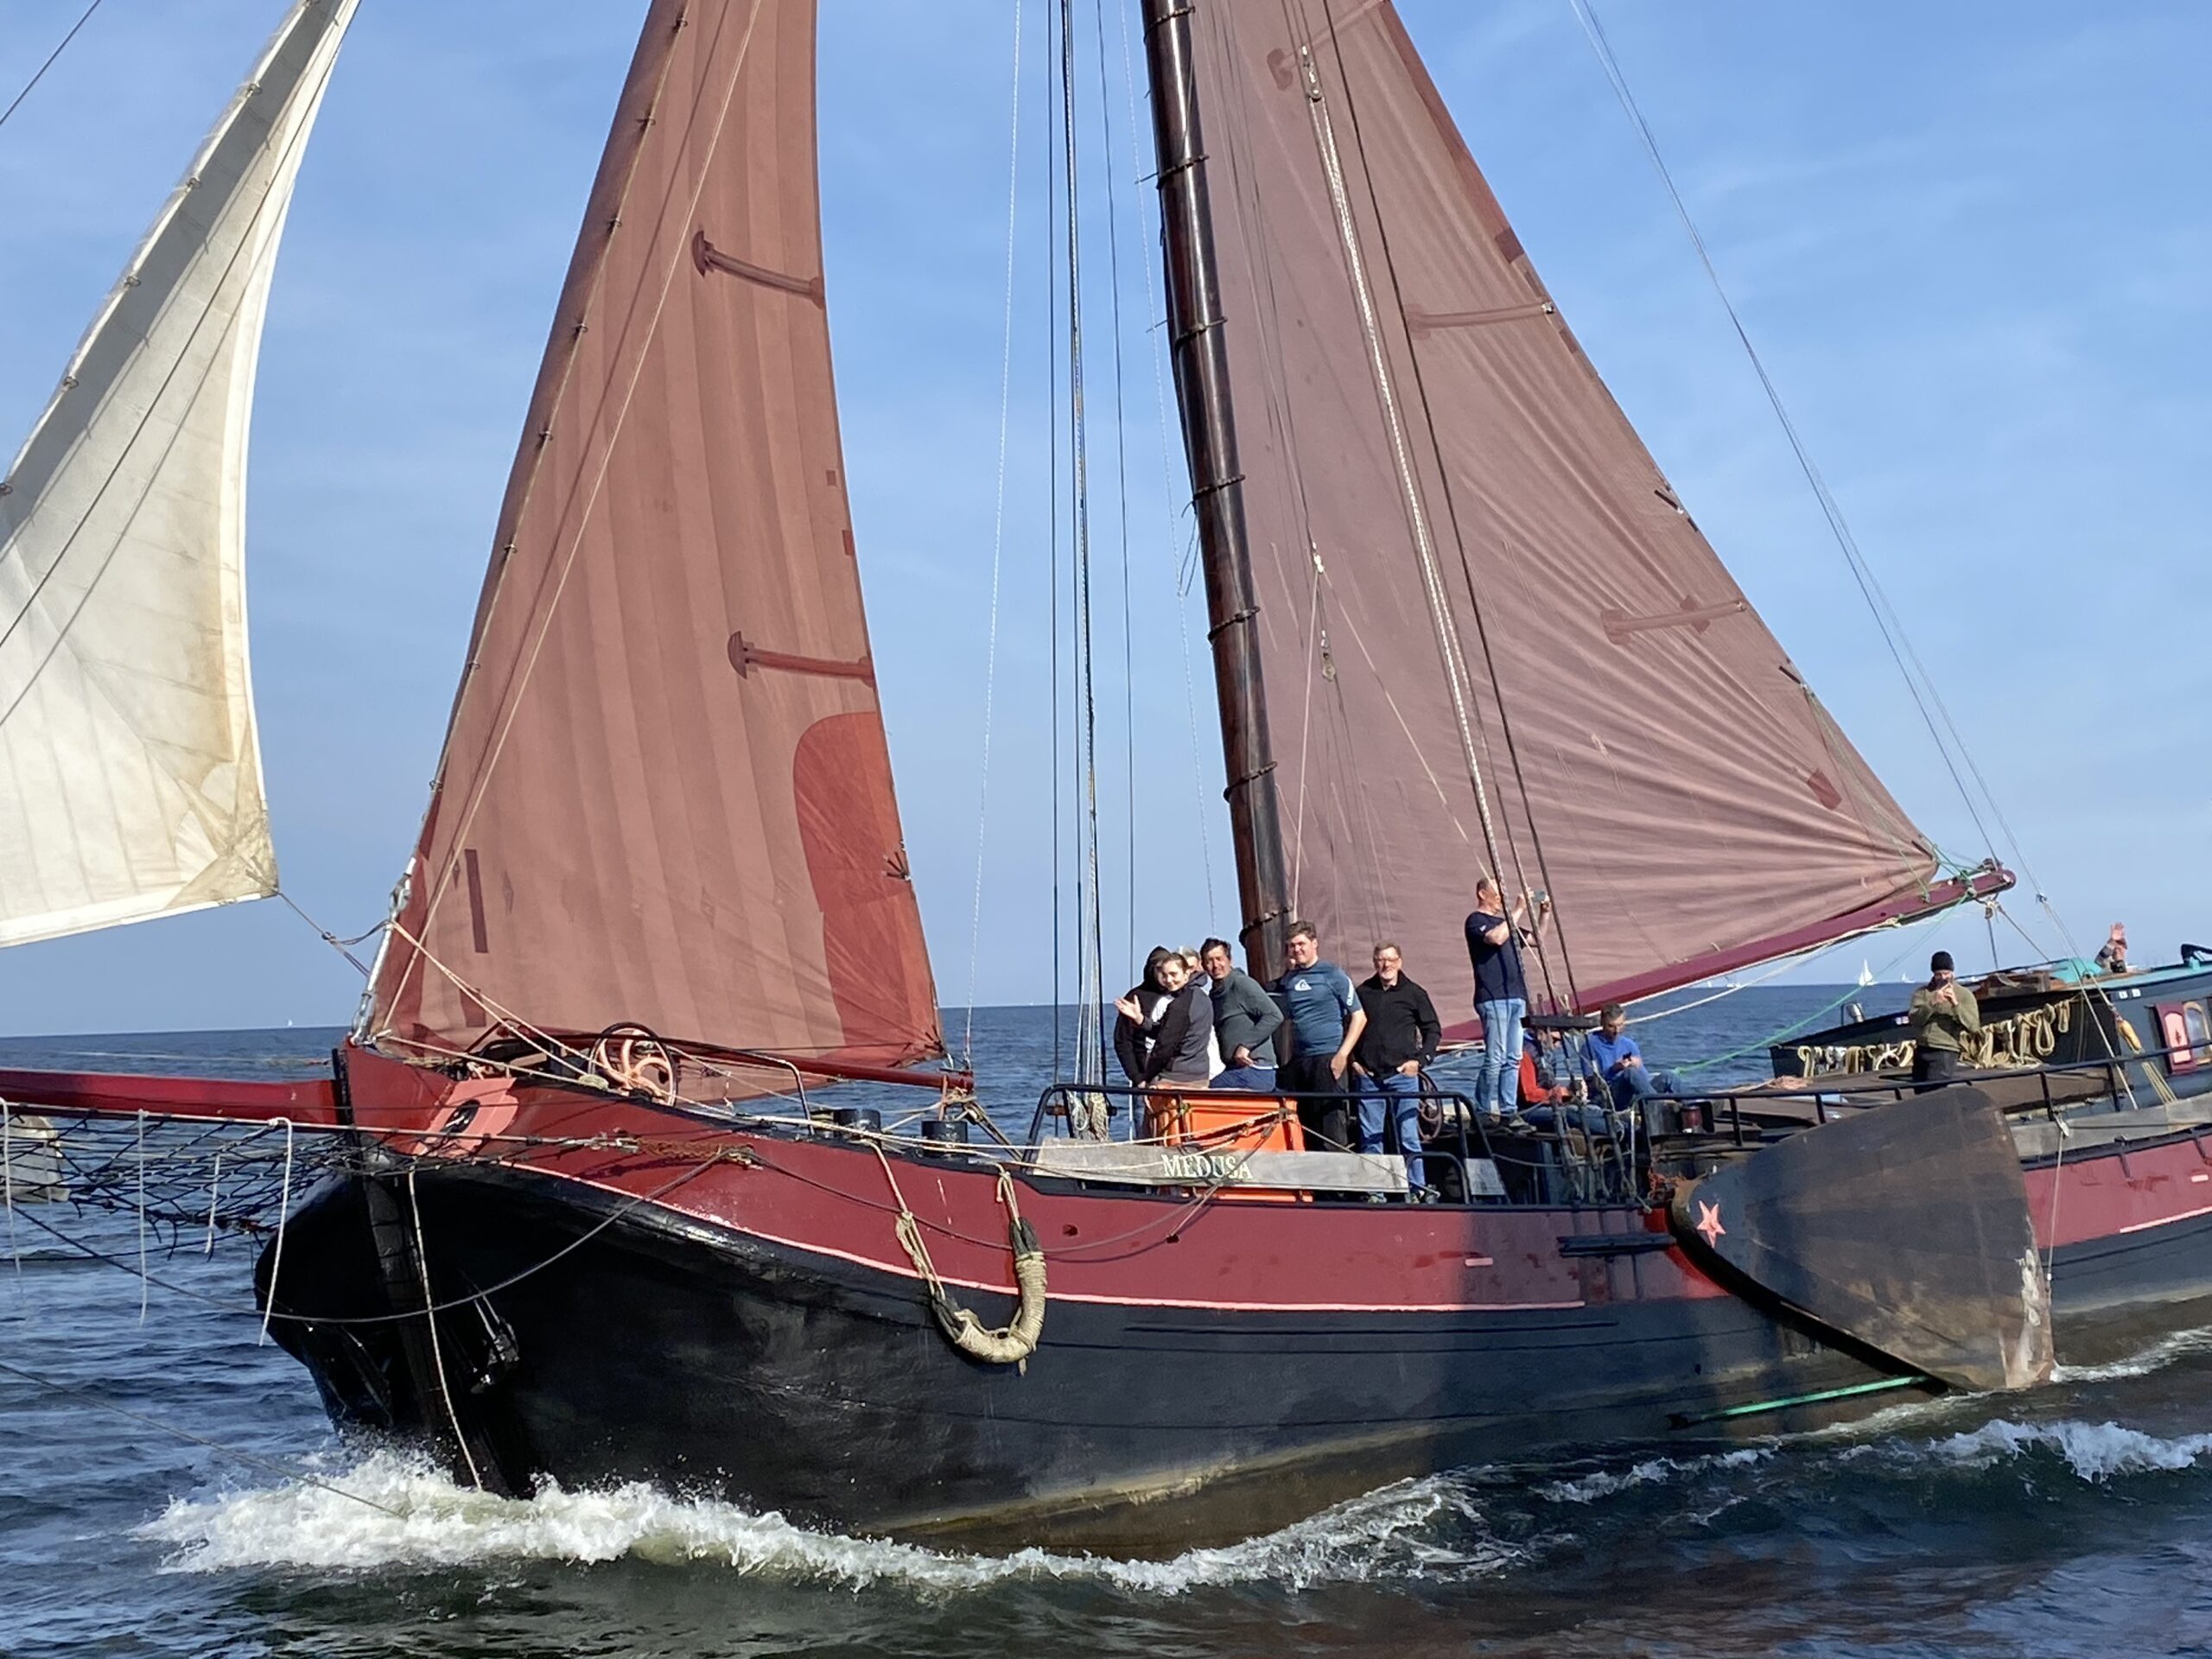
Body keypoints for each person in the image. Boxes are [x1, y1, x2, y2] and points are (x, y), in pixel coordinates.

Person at [1353, 943, 1441, 1198]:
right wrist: (1355, 1063)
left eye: (1391, 960)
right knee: (1370, 1137)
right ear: (1374, 962)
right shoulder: (1364, 992)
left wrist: (1421, 1061)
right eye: (1381, 960)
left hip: (1403, 1076)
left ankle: (1417, 1189)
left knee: (1408, 1136)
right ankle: (1375, 1191)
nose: (1386, 965)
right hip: (1369, 1076)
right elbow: (1350, 1026)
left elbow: (1432, 1029)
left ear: (1400, 962)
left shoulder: (1414, 993)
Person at [1270, 921, 1365, 1150]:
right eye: (1292, 946)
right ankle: (1316, 1186)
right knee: (1307, 1125)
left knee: (1331, 1127)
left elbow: (1359, 1017)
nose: (1297, 949)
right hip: (1301, 1061)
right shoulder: (1289, 981)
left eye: (1301, 944)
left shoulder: (1333, 974)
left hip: (1328, 1057)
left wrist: (1342, 1055)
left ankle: (1339, 1185)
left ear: (1314, 944)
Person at [1465, 877, 1550, 1121]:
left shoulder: (1508, 922)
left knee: (1513, 1057)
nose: (1502, 896)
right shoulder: (1476, 921)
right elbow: (1496, 938)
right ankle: (1482, 1110)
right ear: (1482, 893)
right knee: (1495, 1057)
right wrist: (1519, 908)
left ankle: (1509, 1111)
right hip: (1493, 998)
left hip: (1516, 997)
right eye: (1497, 892)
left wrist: (1544, 914)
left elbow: (1536, 940)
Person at [1112, 946, 1215, 1088]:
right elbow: (1165, 1031)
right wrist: (1140, 1019)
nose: (1168, 980)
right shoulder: (1202, 997)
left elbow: (1164, 1047)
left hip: (1175, 1079)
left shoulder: (1180, 1005)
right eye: (1164, 974)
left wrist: (1145, 1079)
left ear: (1186, 974)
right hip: (1200, 1076)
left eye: (1174, 974)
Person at [1201, 938, 1283, 1092]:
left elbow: (1274, 1015)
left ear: (1229, 960)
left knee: (1205, 1092)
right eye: (1210, 961)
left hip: (1257, 1069)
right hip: (1234, 1069)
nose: (1215, 965)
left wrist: (1246, 1045)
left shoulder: (1241, 984)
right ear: (1204, 966)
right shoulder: (1214, 995)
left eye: (1219, 959)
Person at [1908, 950, 1980, 1090]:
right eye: (1938, 974)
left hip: (1945, 1051)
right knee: (1920, 1095)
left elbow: (1974, 1026)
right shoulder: (1922, 993)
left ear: (1952, 972)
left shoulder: (1964, 994)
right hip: (1922, 1050)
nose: (1943, 978)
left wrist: (1955, 1004)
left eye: (1946, 974)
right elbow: (1914, 1020)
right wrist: (1932, 1003)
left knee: (1935, 1093)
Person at [1584, 1003, 1678, 1110]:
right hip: (1608, 1096)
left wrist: (1638, 1065)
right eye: (1612, 1026)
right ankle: (1660, 1107)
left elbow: (1644, 1080)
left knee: (1669, 1077)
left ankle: (1694, 1110)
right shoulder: (1590, 1045)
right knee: (1630, 1073)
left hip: (1634, 1093)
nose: (1617, 1031)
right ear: (1602, 1023)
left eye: (1620, 1025)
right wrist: (1614, 1069)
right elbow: (1592, 1084)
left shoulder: (1629, 1044)